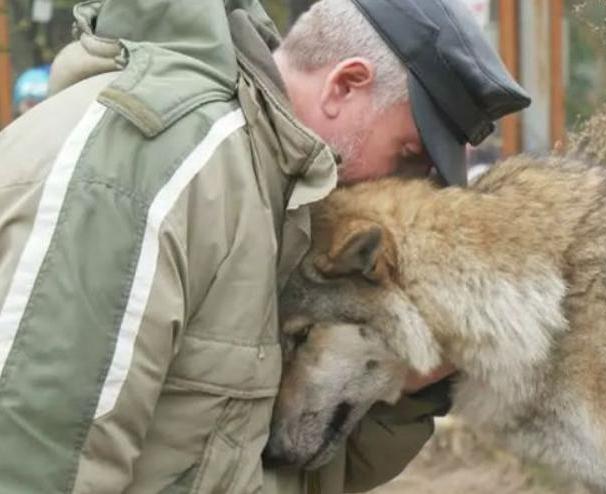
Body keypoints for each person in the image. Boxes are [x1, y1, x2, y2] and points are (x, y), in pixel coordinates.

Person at [0, 0, 530, 492]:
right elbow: (41, 461)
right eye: (408, 156)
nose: (403, 188)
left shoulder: (271, 194)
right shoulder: (154, 167)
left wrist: (404, 389)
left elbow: (259, 469)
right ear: (345, 85)